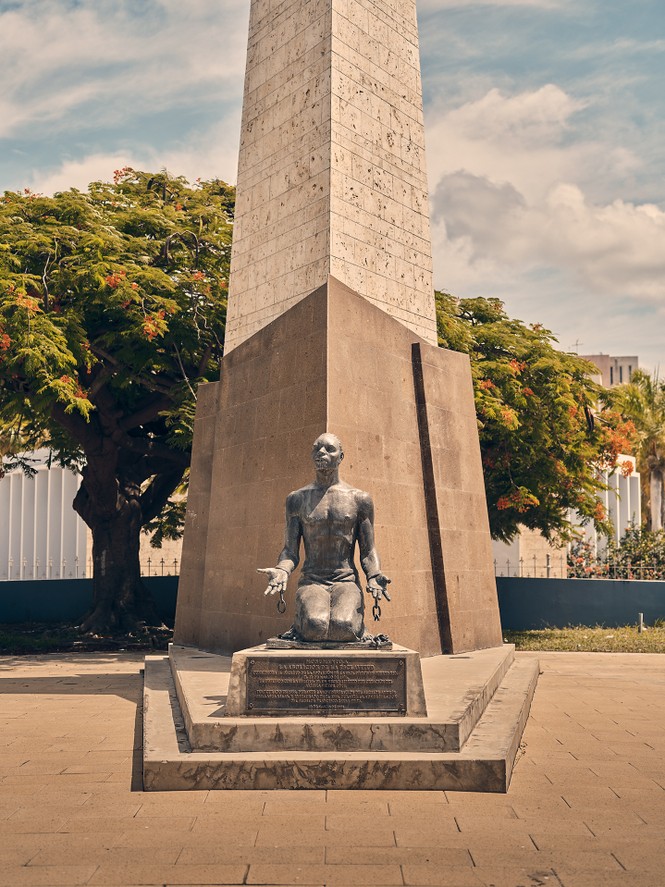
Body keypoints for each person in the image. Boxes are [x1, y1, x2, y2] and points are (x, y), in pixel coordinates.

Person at [258, 432, 391, 643]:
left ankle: (357, 625)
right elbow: (290, 550)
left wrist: (374, 575)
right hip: (312, 581)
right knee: (315, 625)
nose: (321, 452)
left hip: (346, 581)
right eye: (316, 448)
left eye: (329, 449)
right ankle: (301, 624)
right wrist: (282, 570)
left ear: (341, 456)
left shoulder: (360, 499)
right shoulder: (297, 499)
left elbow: (368, 550)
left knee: (344, 626)